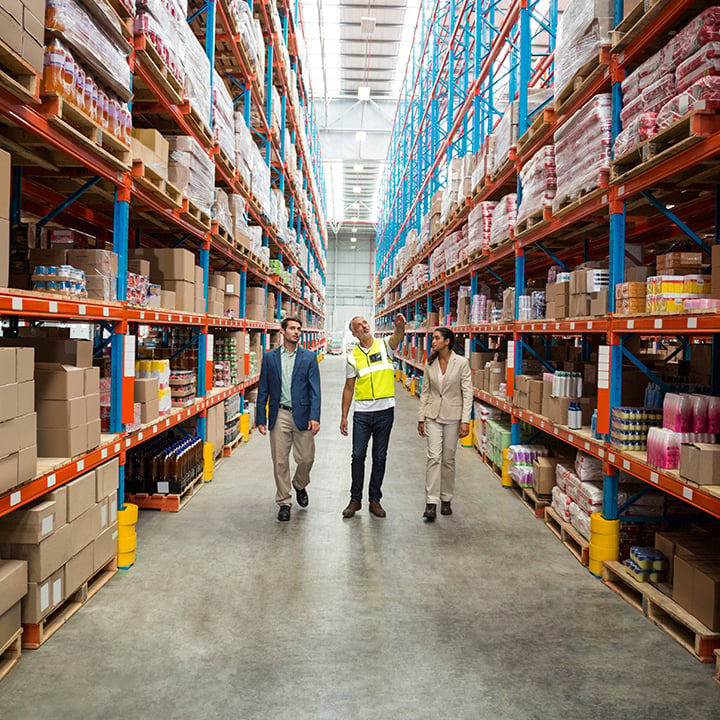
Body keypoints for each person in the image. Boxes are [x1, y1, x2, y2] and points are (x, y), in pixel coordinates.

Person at [340, 313, 406, 518]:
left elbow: (398, 336)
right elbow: (349, 387)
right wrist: (344, 416)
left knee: (380, 456)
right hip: (362, 413)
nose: (363, 326)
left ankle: (375, 499)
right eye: (358, 326)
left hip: (385, 411)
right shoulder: (352, 357)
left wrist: (400, 326)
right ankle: (355, 499)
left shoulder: (385, 345)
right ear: (353, 333)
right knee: (357, 455)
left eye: (364, 323)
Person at [256, 317, 321, 521]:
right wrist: (260, 417)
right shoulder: (270, 358)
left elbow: (315, 390)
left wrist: (315, 416)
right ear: (283, 331)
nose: (297, 332)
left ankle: (300, 484)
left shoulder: (309, 357)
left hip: (302, 413)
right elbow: (263, 388)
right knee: (280, 461)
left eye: (299, 329)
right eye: (292, 328)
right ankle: (284, 501)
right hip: (279, 414)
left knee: (306, 458)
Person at [417, 327, 473, 521]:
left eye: (437, 338)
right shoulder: (430, 363)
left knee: (448, 460)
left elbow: (467, 392)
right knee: (433, 458)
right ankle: (430, 503)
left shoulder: (461, 363)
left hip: (453, 417)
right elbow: (425, 391)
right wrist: (421, 417)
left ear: (447, 341)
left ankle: (446, 499)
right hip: (432, 415)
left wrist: (465, 421)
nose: (433, 341)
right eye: (433, 338)